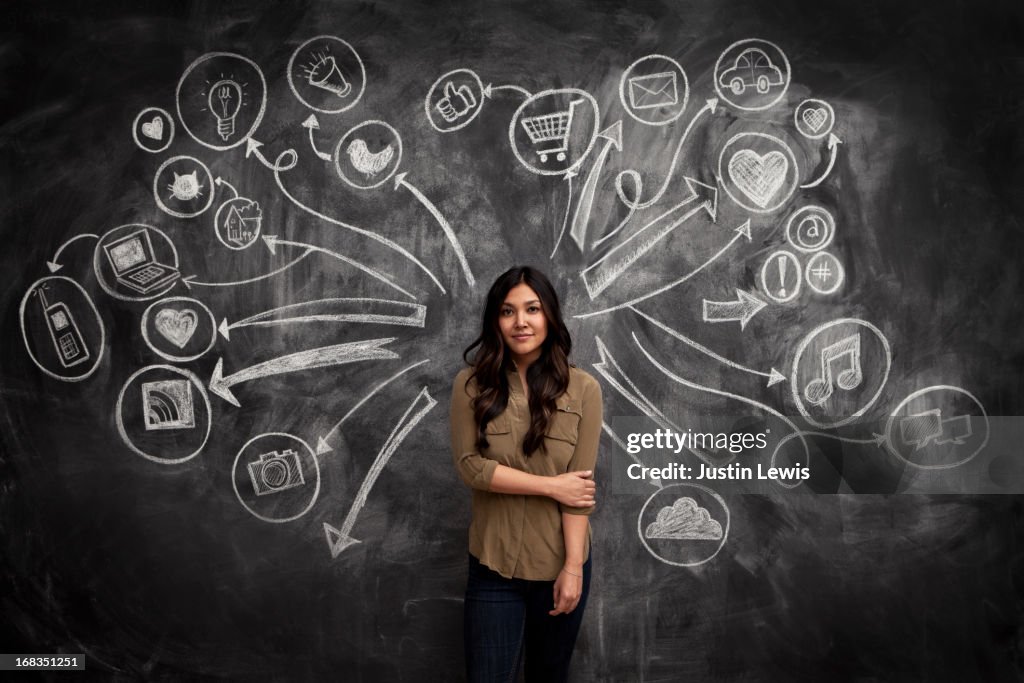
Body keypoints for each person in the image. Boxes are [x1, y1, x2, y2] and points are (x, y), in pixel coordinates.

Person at [450, 266, 603, 682]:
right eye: (508, 311)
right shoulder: (470, 385)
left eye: (532, 309)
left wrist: (573, 568)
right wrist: (551, 486)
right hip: (493, 564)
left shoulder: (584, 388)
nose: (521, 322)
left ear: (549, 316)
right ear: (495, 321)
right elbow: (470, 467)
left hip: (562, 564)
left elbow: (581, 491)